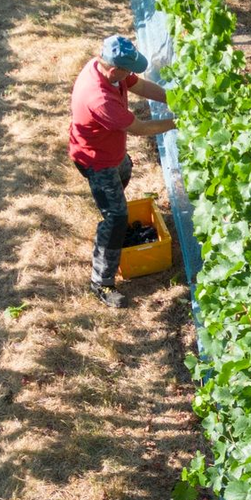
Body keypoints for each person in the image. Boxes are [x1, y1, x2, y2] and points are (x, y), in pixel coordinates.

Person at [70, 35, 176, 308]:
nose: (131, 74)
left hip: (113, 154)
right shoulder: (100, 98)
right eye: (128, 69)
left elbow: (138, 84)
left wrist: (174, 99)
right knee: (117, 216)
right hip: (96, 161)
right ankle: (101, 283)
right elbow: (139, 128)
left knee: (125, 170)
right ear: (114, 68)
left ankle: (109, 216)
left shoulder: (109, 71)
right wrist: (176, 122)